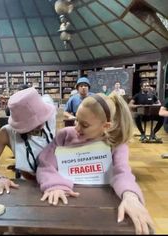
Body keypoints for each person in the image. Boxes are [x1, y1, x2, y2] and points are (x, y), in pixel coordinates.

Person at [36, 92, 155, 235]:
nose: (77, 128)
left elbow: (122, 172)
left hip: (101, 207)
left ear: (106, 126)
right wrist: (54, 185)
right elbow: (46, 164)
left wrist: (131, 196)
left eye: (84, 125)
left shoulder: (116, 144)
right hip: (65, 203)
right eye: (76, 120)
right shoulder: (65, 135)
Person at [0, 87, 56, 195]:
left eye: (42, 119)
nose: (40, 125)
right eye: (33, 124)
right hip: (27, 184)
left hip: (55, 181)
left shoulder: (49, 116)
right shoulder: (7, 133)